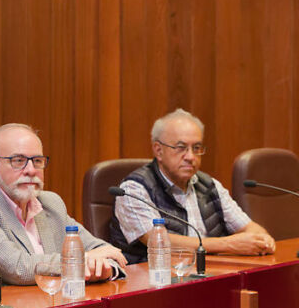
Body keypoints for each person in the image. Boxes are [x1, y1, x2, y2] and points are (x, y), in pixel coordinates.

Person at [0, 123, 127, 293]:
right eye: (18, 160)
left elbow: (103, 250)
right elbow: (17, 267)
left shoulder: (50, 202)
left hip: (46, 307)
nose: (31, 170)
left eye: (37, 161)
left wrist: (103, 267)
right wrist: (82, 260)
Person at [110, 109, 275, 263]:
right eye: (181, 148)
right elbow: (157, 242)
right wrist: (228, 244)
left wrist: (262, 239)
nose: (190, 156)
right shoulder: (133, 189)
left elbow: (248, 227)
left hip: (209, 274)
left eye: (196, 148)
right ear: (158, 150)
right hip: (154, 280)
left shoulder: (209, 185)